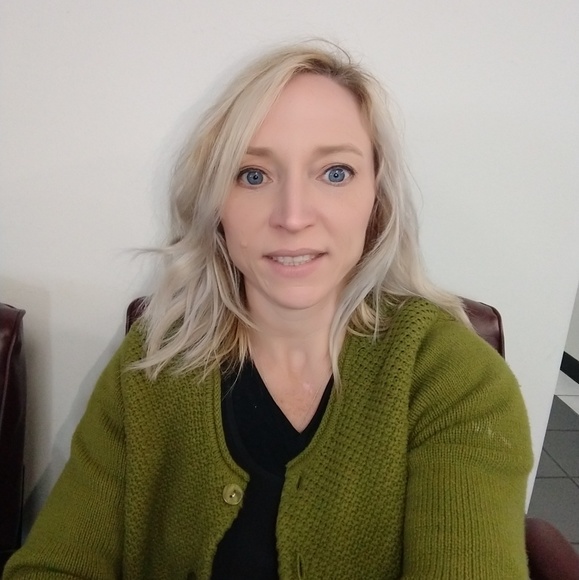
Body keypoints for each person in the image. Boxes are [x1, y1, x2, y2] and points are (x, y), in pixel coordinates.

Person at [4, 41, 533, 579]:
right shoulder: (155, 360)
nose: (293, 216)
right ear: (216, 204)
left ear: (377, 198)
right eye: (253, 175)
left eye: (335, 173)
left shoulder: (454, 379)